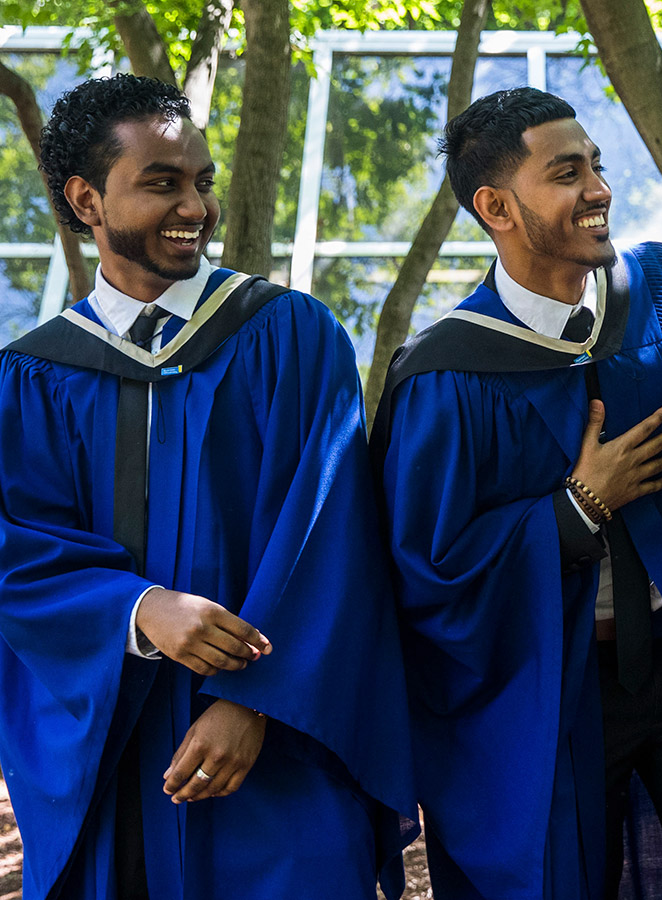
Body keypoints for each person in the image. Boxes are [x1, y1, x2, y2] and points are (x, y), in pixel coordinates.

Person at [371, 87, 662, 899]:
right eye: (567, 172)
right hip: (548, 695)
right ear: (497, 206)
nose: (600, 189)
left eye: (597, 167)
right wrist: (575, 513)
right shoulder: (446, 375)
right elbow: (424, 573)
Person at [0, 74, 416, 899]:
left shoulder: (294, 338)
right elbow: (16, 547)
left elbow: (332, 537)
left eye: (202, 182)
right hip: (114, 750)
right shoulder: (32, 377)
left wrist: (253, 700)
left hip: (283, 744)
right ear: (87, 199)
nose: (195, 207)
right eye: (162, 184)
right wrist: (135, 609)